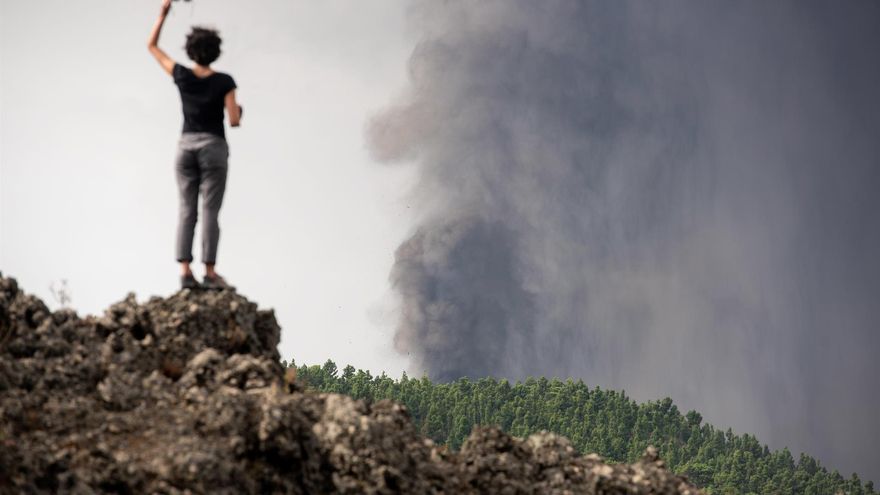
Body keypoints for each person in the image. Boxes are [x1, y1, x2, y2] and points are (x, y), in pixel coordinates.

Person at [147, 0, 242, 290]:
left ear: (190, 51)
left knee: (187, 209)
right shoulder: (225, 81)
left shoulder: (182, 75)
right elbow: (234, 119)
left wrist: (162, 16)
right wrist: (239, 112)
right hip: (213, 147)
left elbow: (152, 47)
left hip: (185, 147)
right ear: (216, 52)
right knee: (211, 210)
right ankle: (210, 273)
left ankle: (185, 272)